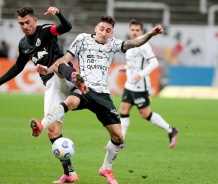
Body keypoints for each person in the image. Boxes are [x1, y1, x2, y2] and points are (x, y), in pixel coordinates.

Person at [30, 15, 163, 184]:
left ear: (112, 32)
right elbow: (64, 60)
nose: (104, 33)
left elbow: (133, 43)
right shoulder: (82, 39)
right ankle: (42, 124)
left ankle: (106, 169)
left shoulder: (113, 43)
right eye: (101, 29)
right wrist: (49, 70)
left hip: (101, 94)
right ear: (96, 28)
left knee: (118, 136)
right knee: (70, 99)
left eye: (108, 30)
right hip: (84, 87)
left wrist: (151, 34)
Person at [0, 6, 79, 183]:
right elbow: (18, 67)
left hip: (59, 77)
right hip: (52, 87)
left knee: (59, 67)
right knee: (53, 132)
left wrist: (58, 13)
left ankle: (78, 82)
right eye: (21, 23)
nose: (25, 26)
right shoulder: (23, 44)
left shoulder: (46, 30)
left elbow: (66, 27)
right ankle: (69, 172)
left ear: (34, 21)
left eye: (28, 22)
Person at [118, 19, 178, 149]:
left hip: (140, 86)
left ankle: (171, 130)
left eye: (137, 30)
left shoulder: (144, 45)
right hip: (129, 85)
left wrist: (141, 74)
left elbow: (154, 63)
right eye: (132, 30)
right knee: (123, 110)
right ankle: (120, 140)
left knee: (145, 114)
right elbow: (135, 63)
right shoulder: (129, 45)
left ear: (142, 31)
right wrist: (127, 68)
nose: (134, 33)